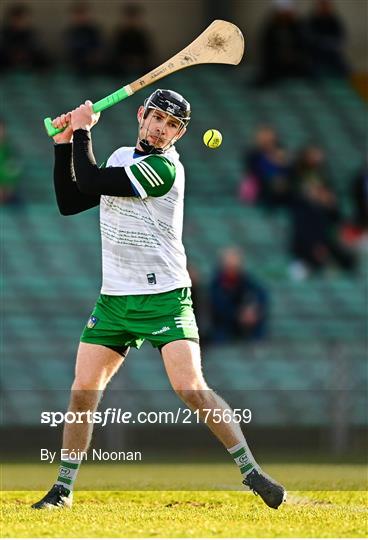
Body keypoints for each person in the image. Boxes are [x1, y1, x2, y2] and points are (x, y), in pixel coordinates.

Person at [31, 89, 285, 510]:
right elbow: (70, 201)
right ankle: (62, 489)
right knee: (82, 392)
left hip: (165, 296)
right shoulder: (118, 157)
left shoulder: (163, 169)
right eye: (157, 118)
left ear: (179, 134)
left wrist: (80, 130)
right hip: (114, 299)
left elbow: (91, 180)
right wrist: (64, 147)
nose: (161, 128)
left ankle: (251, 470)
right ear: (141, 115)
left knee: (190, 388)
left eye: (171, 125)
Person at [209, 248, 269, 343]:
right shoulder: (216, 284)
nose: (232, 270)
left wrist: (252, 310)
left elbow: (261, 294)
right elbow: (217, 307)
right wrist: (238, 314)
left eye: (235, 267)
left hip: (245, 325)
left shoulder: (245, 280)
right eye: (230, 266)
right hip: (224, 326)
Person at [107, 3, 153, 77]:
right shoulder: (120, 34)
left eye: (134, 18)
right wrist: (127, 61)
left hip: (140, 66)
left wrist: (137, 61)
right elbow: (114, 53)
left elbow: (148, 54)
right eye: (130, 18)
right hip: (122, 66)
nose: (132, 21)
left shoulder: (141, 34)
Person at [0, 3, 49, 72]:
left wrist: (25, 54)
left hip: (28, 60)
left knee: (43, 59)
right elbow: (4, 47)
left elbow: (37, 48)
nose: (20, 22)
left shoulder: (31, 33)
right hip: (8, 61)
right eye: (17, 19)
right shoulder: (5, 33)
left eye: (23, 19)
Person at [64, 2, 104, 75]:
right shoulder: (71, 31)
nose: (80, 17)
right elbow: (70, 49)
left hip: (92, 62)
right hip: (77, 62)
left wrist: (93, 56)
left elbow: (98, 46)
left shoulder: (93, 31)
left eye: (82, 14)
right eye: (77, 15)